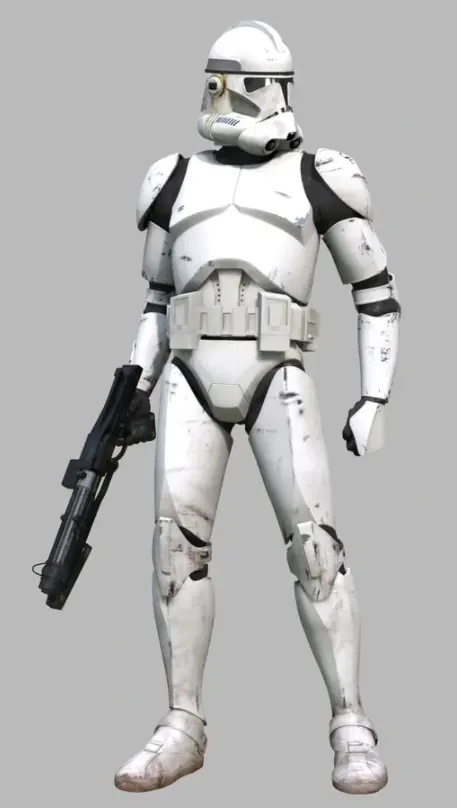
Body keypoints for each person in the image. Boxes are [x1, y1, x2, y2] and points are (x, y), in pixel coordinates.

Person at [113, 20, 400, 796]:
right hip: (188, 374)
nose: (223, 98)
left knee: (314, 549)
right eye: (213, 82)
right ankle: (182, 721)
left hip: (279, 371)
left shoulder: (319, 175)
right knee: (174, 549)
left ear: (270, 88)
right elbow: (157, 298)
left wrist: (374, 395)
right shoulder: (172, 177)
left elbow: (375, 294)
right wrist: (131, 387)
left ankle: (349, 721)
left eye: (235, 83)